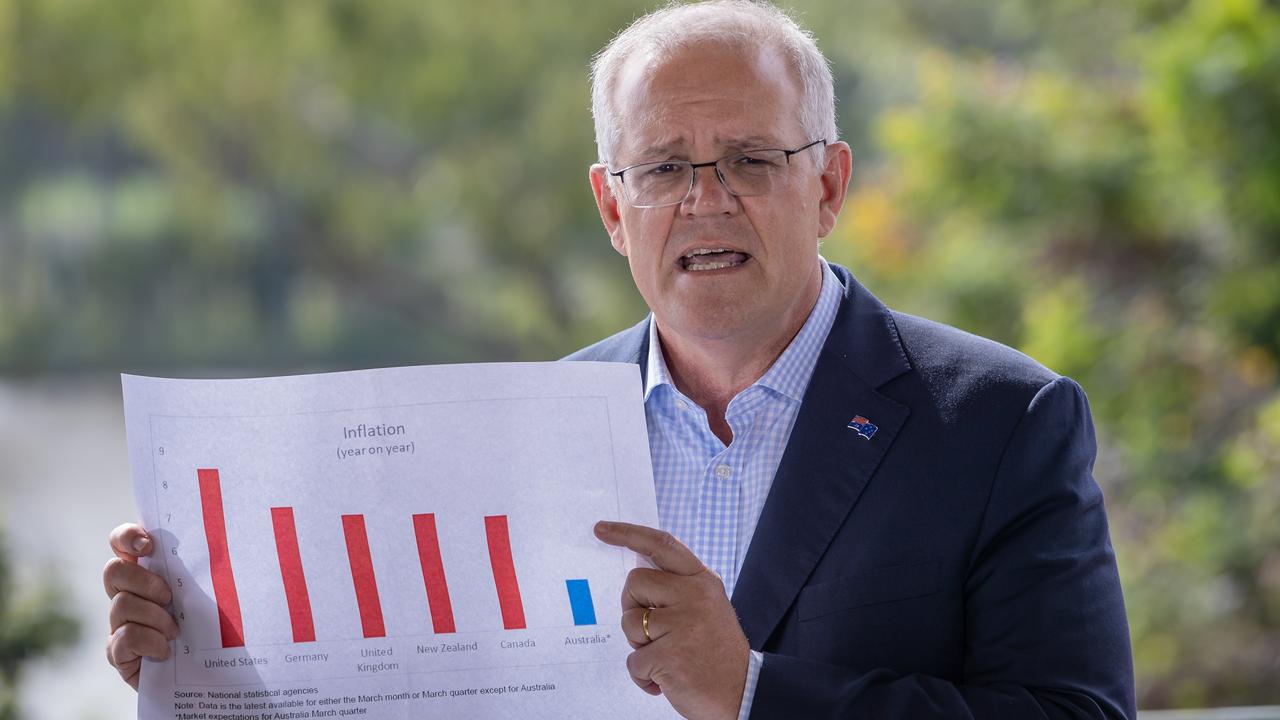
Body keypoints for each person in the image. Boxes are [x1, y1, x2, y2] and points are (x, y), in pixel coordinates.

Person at [104, 1, 1137, 718]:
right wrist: (205, 664)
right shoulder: (514, 431)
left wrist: (748, 695)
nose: (706, 198)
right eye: (664, 168)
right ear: (611, 206)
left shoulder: (1002, 422)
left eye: (748, 159)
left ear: (826, 186)